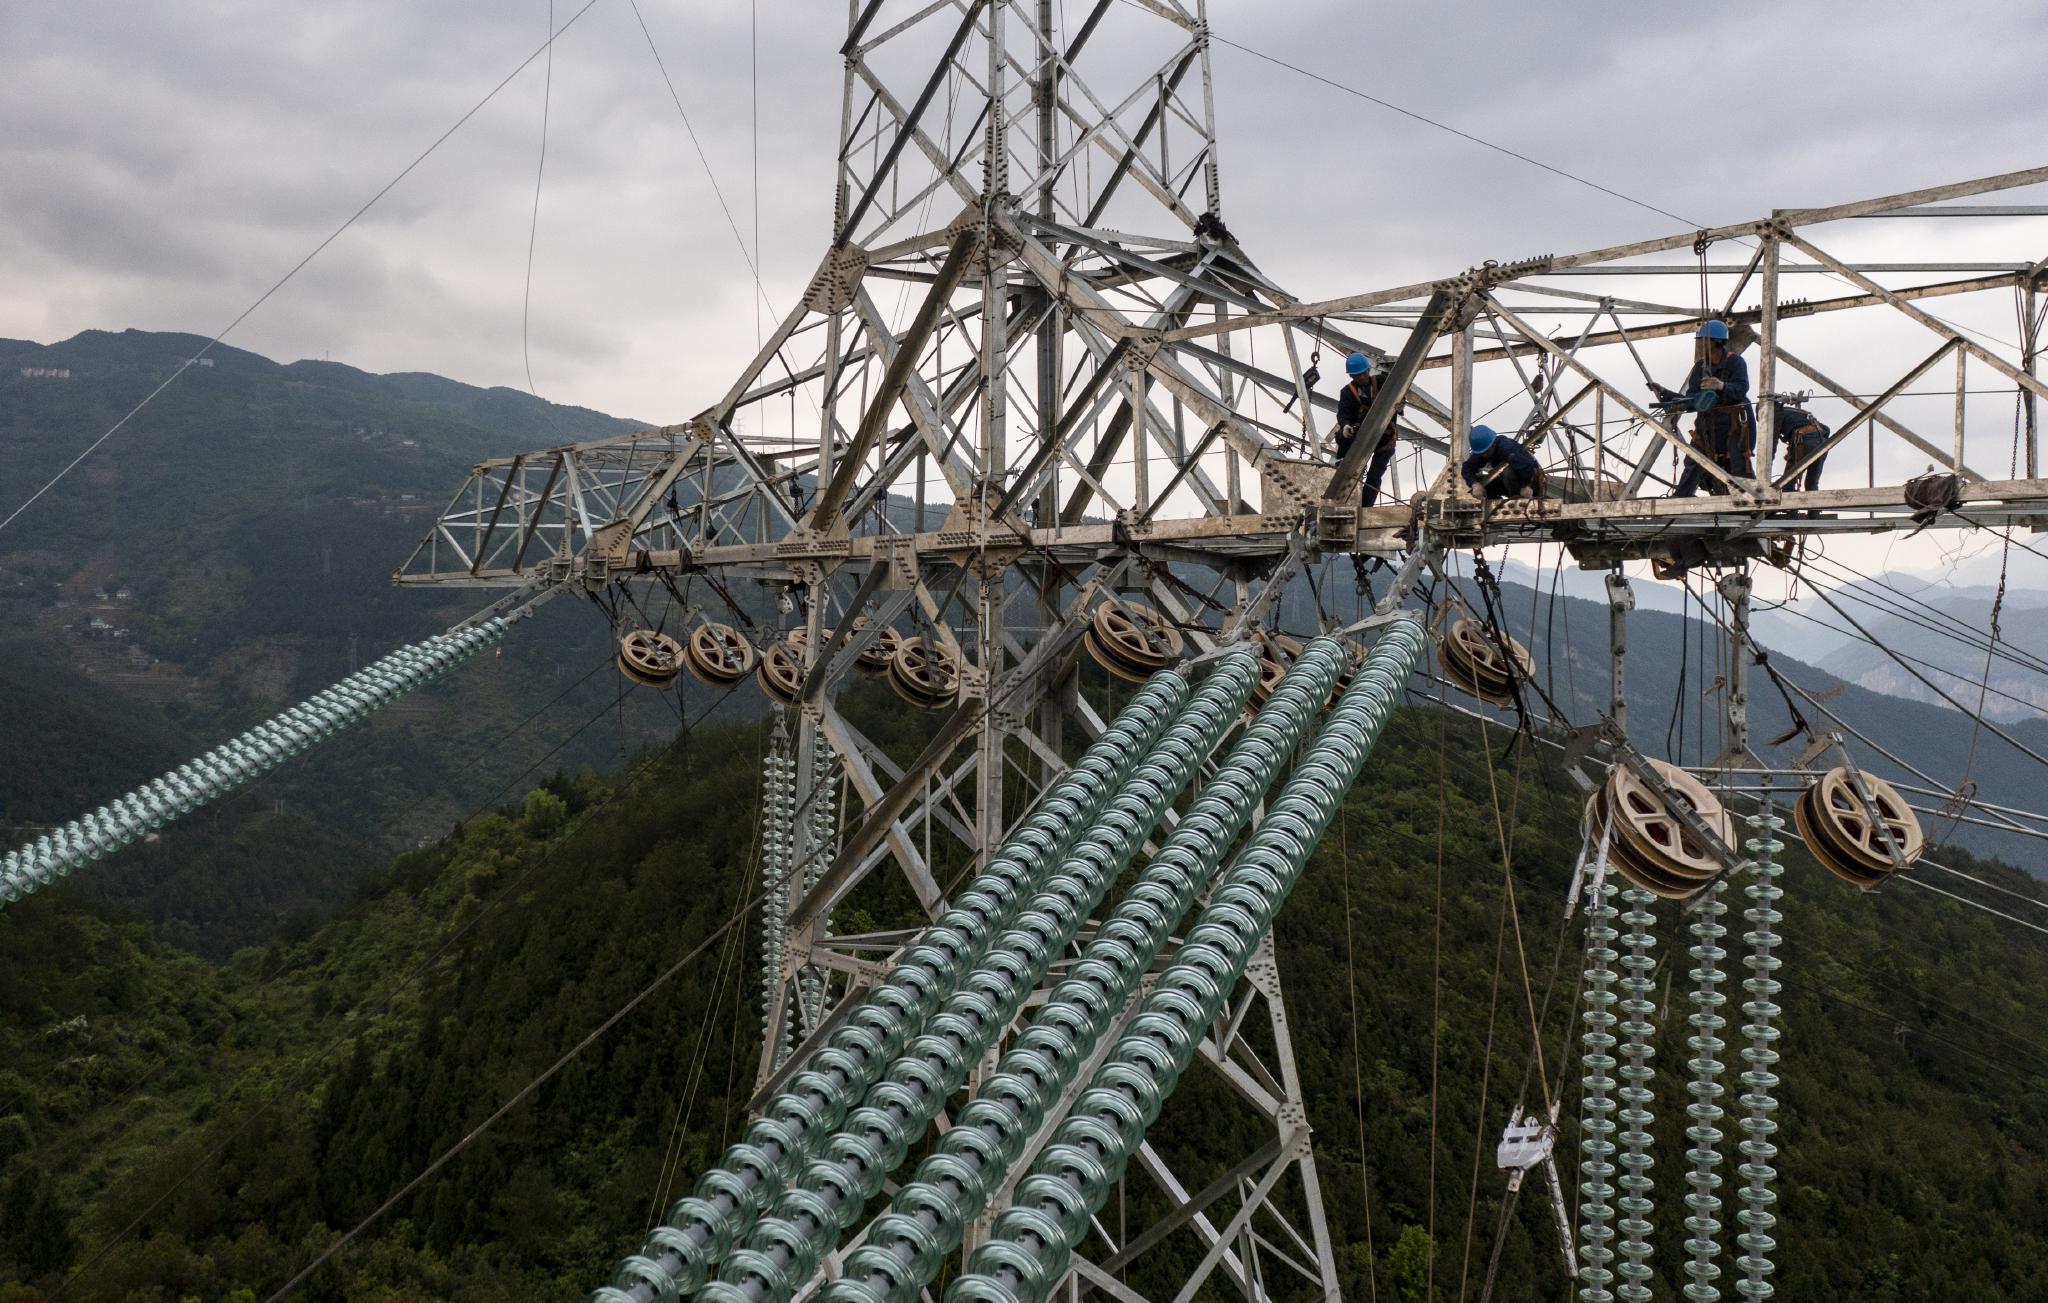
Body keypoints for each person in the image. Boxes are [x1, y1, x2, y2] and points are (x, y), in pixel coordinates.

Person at [1650, 319, 1754, 497]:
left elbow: (1741, 389)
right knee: (1693, 462)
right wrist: (1666, 395)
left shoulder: (1735, 362)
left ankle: (1749, 501)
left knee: (1738, 465)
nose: (1698, 345)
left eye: (1702, 340)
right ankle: (1681, 498)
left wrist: (1721, 386)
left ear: (1715, 341)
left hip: (1734, 424)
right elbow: (1693, 399)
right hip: (1708, 424)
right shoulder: (1700, 367)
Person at [1331, 352, 1398, 506]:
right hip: (1360, 437)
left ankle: (1366, 507)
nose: (1361, 377)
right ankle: (1344, 497)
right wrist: (1345, 425)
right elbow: (1343, 413)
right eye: (1357, 375)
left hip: (1384, 437)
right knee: (1350, 471)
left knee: (1374, 476)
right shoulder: (1347, 392)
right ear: (1351, 376)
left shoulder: (1382, 382)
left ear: (1368, 370)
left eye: (1363, 373)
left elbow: (1398, 394)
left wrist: (1399, 405)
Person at [1461, 425, 1543, 500]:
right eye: (1482, 453)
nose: (1484, 455)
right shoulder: (1484, 449)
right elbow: (1467, 468)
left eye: (1486, 452)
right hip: (1509, 483)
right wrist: (1474, 484)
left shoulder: (1506, 447)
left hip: (1530, 478)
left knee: (1508, 471)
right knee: (1482, 481)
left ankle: (1516, 499)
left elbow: (1527, 465)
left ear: (1493, 444)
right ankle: (1494, 503)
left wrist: (1526, 485)